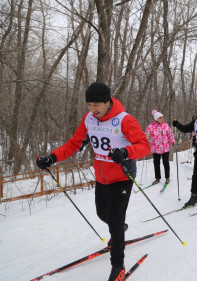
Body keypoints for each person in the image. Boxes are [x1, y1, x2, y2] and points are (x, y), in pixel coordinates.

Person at [36, 82, 150, 281]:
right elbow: (74, 143)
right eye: (89, 105)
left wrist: (125, 152)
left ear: (108, 102)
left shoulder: (124, 120)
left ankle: (118, 266)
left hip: (122, 176)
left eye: (97, 105)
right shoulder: (89, 119)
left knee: (114, 220)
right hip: (101, 176)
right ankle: (120, 228)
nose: (92, 109)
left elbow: (144, 146)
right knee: (101, 213)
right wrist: (52, 158)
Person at [145, 110, 175, 185]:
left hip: (165, 148)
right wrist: (146, 136)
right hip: (155, 148)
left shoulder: (165, 125)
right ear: (156, 118)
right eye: (160, 117)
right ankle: (157, 178)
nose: (162, 119)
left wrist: (173, 141)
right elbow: (146, 134)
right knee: (156, 163)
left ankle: (167, 177)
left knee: (166, 163)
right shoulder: (150, 127)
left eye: (162, 117)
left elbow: (170, 134)